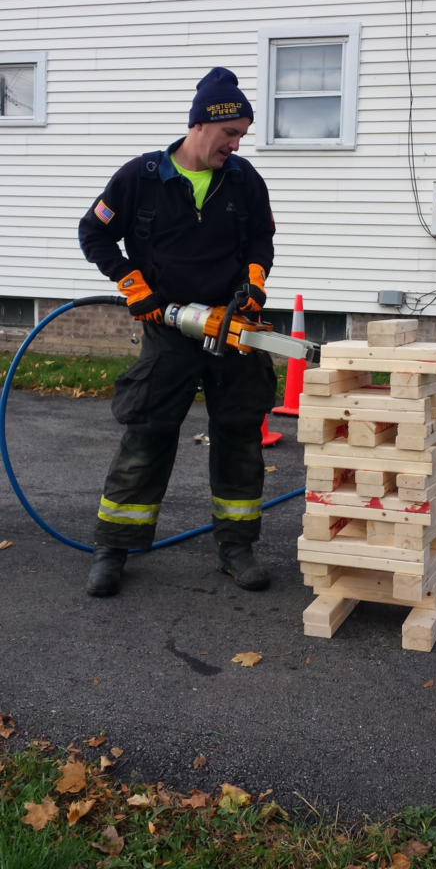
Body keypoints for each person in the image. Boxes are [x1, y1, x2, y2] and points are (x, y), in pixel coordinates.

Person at [78, 67, 277, 598]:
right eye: (230, 133)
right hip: (168, 328)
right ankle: (113, 547)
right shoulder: (140, 177)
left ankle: (236, 546)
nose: (235, 145)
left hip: (232, 328)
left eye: (241, 136)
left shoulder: (243, 180)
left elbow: (261, 239)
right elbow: (93, 232)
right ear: (200, 125)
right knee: (148, 432)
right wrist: (129, 281)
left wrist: (255, 282)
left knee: (239, 435)